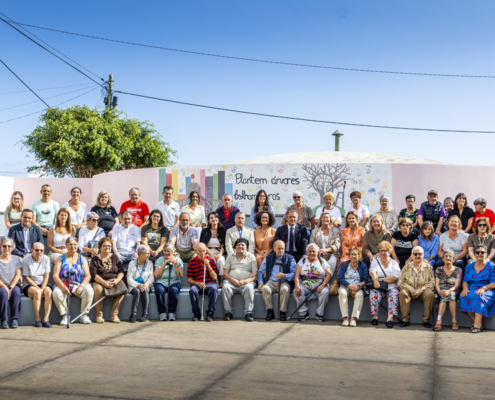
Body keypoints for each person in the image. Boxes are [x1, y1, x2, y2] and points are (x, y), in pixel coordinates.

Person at [52, 237, 94, 325]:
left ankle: (84, 315)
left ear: (77, 245)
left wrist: (82, 286)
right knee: (56, 292)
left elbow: (87, 275)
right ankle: (65, 316)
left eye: (75, 244)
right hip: (64, 284)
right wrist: (62, 287)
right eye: (70, 244)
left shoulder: (82, 259)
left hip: (79, 284)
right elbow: (55, 276)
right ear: (66, 246)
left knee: (89, 291)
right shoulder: (60, 259)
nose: (73, 246)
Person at [258, 240, 296, 321]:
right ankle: (270, 312)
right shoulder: (268, 258)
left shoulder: (290, 259)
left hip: (284, 281)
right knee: (265, 289)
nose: (281, 250)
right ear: (274, 248)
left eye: (282, 248)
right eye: (279, 248)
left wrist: (284, 275)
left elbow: (294, 274)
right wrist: (260, 282)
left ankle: (283, 312)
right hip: (271, 281)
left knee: (285, 289)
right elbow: (260, 272)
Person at [460, 244, 495, 333]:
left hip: (488, 289)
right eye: (477, 252)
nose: (480, 254)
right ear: (474, 254)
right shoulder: (469, 266)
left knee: (478, 296)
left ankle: (477, 325)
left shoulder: (491, 266)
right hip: (472, 288)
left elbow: (493, 283)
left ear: (486, 254)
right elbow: (465, 280)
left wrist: (483, 288)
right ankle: (476, 320)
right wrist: (464, 288)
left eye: (482, 252)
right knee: (464, 296)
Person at [89, 237, 125, 323]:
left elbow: (121, 271)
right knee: (98, 289)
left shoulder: (115, 257)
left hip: (113, 279)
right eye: (104, 246)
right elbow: (94, 274)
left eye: (109, 246)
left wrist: (117, 280)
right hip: (99, 280)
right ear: (100, 248)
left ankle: (114, 315)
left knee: (122, 289)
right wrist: (104, 282)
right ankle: (99, 315)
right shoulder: (95, 259)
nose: (107, 247)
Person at [397, 246, 435, 328]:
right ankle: (405, 320)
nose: (417, 256)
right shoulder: (406, 267)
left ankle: (426, 320)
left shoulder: (428, 267)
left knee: (430, 294)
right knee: (403, 292)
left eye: (420, 254)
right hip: (409, 291)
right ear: (412, 255)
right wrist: (410, 288)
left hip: (422, 292)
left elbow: (432, 282)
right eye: (415, 254)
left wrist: (421, 289)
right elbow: (400, 282)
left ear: (423, 255)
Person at [222, 238, 258, 321]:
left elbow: (254, 273)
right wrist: (233, 280)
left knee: (249, 288)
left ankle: (248, 312)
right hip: (231, 282)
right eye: (238, 245)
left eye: (243, 245)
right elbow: (225, 273)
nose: (240, 246)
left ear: (247, 247)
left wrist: (244, 281)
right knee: (225, 288)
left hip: (246, 282)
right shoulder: (230, 256)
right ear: (235, 247)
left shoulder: (251, 257)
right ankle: (228, 312)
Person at [294, 243, 331, 322]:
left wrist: (323, 285)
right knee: (297, 292)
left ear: (317, 252)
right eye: (309, 251)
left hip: (319, 285)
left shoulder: (322, 261)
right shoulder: (302, 261)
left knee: (325, 292)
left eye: (314, 251)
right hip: (305, 285)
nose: (311, 253)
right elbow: (297, 275)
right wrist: (297, 286)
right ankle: (303, 313)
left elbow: (329, 274)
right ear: (307, 252)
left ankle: (320, 314)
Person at [369, 241, 401, 328]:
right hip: (378, 286)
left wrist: (381, 279)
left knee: (394, 294)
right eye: (381, 250)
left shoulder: (394, 263)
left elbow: (395, 278)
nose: (383, 253)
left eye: (385, 250)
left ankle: (390, 319)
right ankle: (374, 317)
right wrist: (376, 281)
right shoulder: (375, 261)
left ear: (389, 251)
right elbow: (372, 272)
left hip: (391, 286)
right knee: (373, 293)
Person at [22, 242, 52, 328]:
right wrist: (38, 289)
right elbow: (26, 277)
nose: (39, 252)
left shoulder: (46, 258)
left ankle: (46, 319)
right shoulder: (26, 259)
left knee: (49, 292)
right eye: (37, 250)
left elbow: (46, 276)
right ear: (32, 250)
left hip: (42, 283)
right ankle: (37, 319)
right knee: (37, 293)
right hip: (29, 284)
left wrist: (42, 288)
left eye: (41, 250)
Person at [187, 243, 218, 321]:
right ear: (196, 251)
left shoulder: (211, 260)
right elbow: (189, 280)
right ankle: (196, 314)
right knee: (192, 290)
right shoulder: (192, 262)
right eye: (200, 251)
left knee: (214, 289)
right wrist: (197, 283)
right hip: (197, 283)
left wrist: (208, 266)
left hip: (210, 283)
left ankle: (210, 313)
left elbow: (214, 277)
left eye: (204, 251)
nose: (202, 253)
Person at [337, 246, 367, 327]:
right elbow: (340, 278)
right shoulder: (344, 264)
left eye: (356, 254)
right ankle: (345, 318)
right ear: (349, 255)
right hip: (346, 286)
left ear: (359, 255)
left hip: (358, 287)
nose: (354, 256)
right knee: (342, 292)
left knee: (360, 295)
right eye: (352, 254)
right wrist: (350, 286)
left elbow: (365, 280)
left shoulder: (363, 265)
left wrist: (357, 287)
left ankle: (353, 318)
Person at [154, 243, 183, 321]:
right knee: (159, 290)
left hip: (174, 281)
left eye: (168, 251)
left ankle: (172, 312)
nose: (166, 253)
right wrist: (164, 264)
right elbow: (156, 276)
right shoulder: (159, 260)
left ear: (173, 252)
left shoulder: (178, 260)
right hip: (161, 281)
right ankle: (162, 312)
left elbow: (180, 274)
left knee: (173, 290)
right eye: (164, 251)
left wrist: (175, 263)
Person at [434, 249, 462, 331]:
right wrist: (439, 292)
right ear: (442, 259)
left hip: (453, 289)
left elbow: (457, 285)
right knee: (444, 295)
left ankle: (439, 320)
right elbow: (437, 284)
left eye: (450, 256)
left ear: (453, 259)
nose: (448, 257)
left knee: (451, 295)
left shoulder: (458, 270)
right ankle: (454, 320)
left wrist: (449, 291)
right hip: (441, 289)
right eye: (446, 256)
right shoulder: (438, 269)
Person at [127, 245, 154, 323]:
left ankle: (145, 314)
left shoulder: (149, 263)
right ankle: (133, 315)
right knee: (137, 291)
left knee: (144, 290)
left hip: (146, 285)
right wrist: (138, 285)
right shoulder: (132, 263)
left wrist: (146, 284)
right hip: (134, 285)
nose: (148, 255)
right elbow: (129, 279)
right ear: (140, 253)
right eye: (147, 253)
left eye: (149, 253)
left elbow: (151, 277)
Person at [0, 238, 22, 329]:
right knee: (3, 293)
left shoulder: (16, 259)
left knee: (16, 292)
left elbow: (17, 275)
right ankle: (4, 320)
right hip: (1, 285)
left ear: (12, 248)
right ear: (0, 247)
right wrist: (5, 288)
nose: (7, 248)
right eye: (4, 246)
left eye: (9, 246)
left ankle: (14, 319)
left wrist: (10, 288)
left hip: (13, 284)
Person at [200, 212, 226, 287]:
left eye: (215, 217)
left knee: (221, 261)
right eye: (211, 218)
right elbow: (203, 244)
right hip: (208, 252)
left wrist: (220, 254)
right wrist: (211, 254)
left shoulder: (223, 230)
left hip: (219, 251)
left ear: (218, 219)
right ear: (208, 220)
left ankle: (221, 281)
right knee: (211, 260)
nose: (214, 219)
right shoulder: (205, 231)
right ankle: (214, 281)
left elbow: (224, 244)